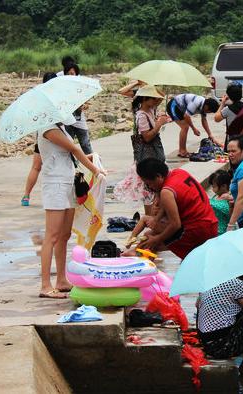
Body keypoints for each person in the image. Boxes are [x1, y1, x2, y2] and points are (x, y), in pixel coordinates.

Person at [38, 122, 105, 298]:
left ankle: (61, 280)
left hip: (67, 183)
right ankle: (45, 285)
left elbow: (67, 155)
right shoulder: (48, 128)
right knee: (51, 236)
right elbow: (74, 149)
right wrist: (96, 171)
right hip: (55, 185)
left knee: (64, 236)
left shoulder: (60, 128)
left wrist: (90, 158)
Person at [136, 158, 218, 259]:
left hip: (197, 231)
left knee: (151, 242)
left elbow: (175, 225)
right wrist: (157, 217)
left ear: (158, 176)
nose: (150, 187)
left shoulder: (166, 192)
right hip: (211, 223)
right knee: (149, 234)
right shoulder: (179, 172)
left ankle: (139, 262)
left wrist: (157, 239)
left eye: (149, 184)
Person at [113, 85, 169, 215]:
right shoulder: (141, 115)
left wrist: (152, 87)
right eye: (153, 99)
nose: (156, 101)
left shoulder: (150, 109)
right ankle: (150, 218)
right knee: (148, 190)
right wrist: (159, 124)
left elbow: (161, 97)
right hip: (147, 157)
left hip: (152, 156)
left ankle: (153, 217)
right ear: (145, 99)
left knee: (153, 191)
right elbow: (147, 137)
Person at [21, 72, 58, 206]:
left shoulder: (38, 98)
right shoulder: (58, 98)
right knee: (57, 167)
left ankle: (26, 196)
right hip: (57, 137)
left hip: (42, 137)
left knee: (36, 167)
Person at [63, 63, 93, 155]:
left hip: (79, 120)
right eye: (68, 73)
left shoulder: (81, 87)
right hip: (67, 120)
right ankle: (72, 168)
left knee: (85, 145)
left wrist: (84, 106)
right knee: (68, 146)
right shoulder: (62, 87)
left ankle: (95, 167)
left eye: (72, 73)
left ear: (76, 74)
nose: (70, 75)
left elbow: (87, 103)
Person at [214, 82, 243, 150]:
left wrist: (222, 103)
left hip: (232, 140)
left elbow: (216, 118)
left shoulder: (228, 110)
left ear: (229, 96)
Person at [208, 169, 233, 235]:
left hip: (222, 231)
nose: (213, 189)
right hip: (214, 229)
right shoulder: (216, 196)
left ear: (224, 186)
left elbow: (228, 214)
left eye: (214, 186)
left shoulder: (229, 198)